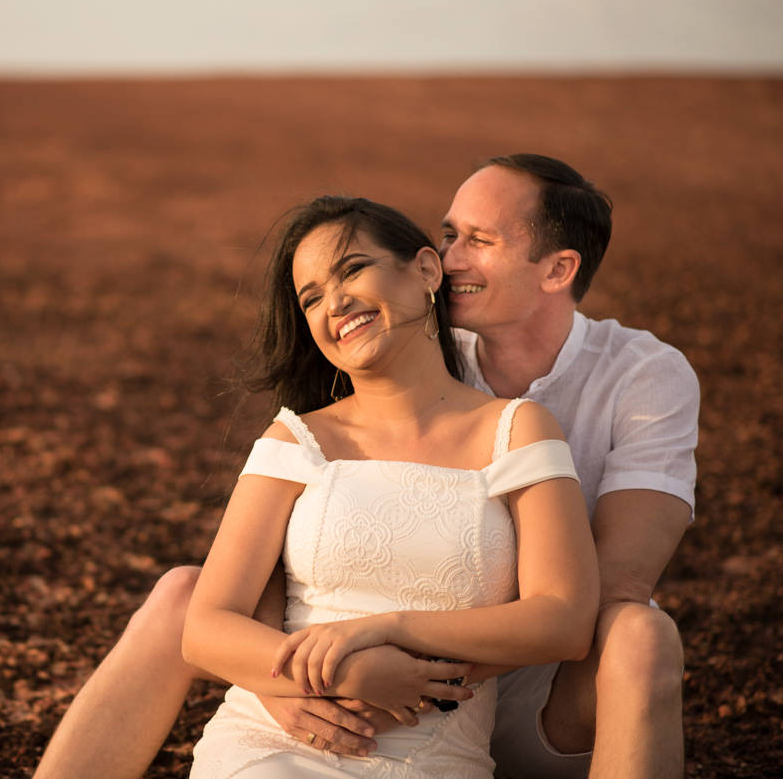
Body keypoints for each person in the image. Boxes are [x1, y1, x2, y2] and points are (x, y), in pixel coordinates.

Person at [33, 155, 700, 779]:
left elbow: (609, 587)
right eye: (448, 235)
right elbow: (284, 557)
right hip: (342, 689)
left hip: (536, 689)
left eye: (478, 241)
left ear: (557, 270)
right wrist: (293, 679)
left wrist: (403, 662)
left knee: (641, 631)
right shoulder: (390, 353)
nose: (451, 256)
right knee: (185, 593)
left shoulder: (634, 378)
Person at [181, 195, 599, 778]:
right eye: (312, 298)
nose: (335, 303)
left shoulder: (518, 429)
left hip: (437, 760)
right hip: (272, 747)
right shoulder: (296, 439)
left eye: (352, 270)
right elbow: (205, 628)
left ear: (426, 270)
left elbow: (565, 619)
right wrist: (346, 672)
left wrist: (389, 629)